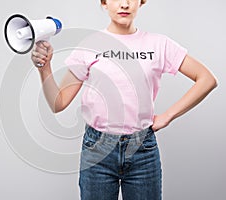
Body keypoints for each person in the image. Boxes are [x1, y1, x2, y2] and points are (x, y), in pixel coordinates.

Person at [31, 0, 218, 199]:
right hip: (97, 150)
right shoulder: (89, 45)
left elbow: (207, 79)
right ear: (104, 2)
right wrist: (45, 68)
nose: (125, 4)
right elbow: (58, 102)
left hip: (142, 150)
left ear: (141, 2)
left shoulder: (159, 44)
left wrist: (168, 116)